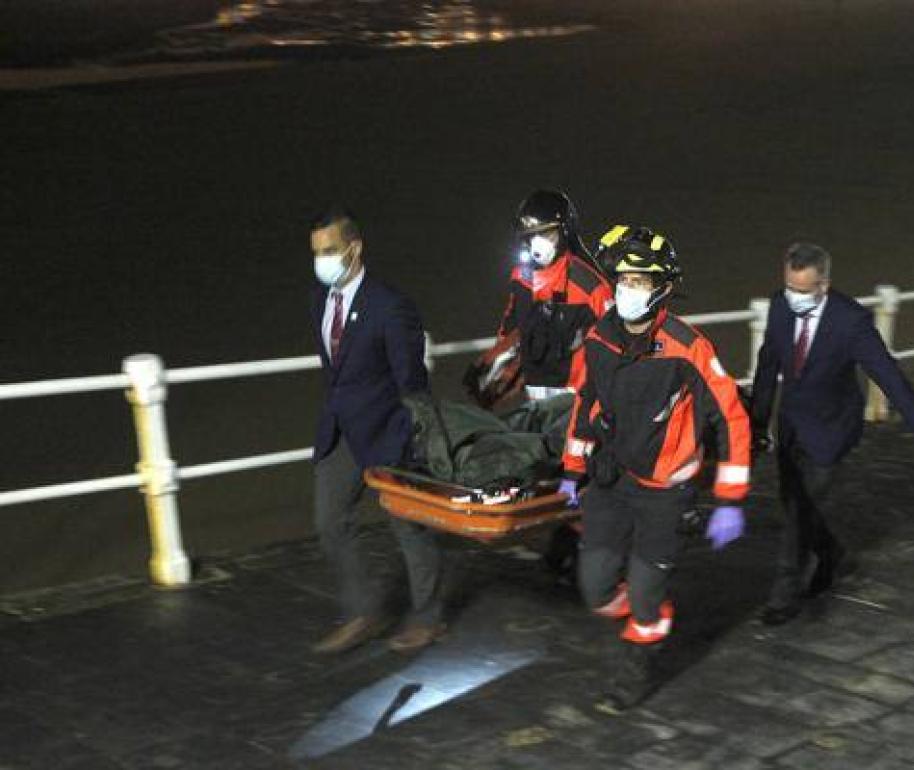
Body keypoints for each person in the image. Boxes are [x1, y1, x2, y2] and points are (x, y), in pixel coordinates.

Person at [559, 225, 752, 712]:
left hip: (664, 492)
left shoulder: (687, 347)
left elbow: (731, 416)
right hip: (611, 481)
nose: (628, 290)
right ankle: (642, 608)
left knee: (645, 598)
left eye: (640, 282)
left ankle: (637, 662)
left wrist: (729, 499)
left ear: (663, 287)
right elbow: (587, 402)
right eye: (623, 280)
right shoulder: (601, 338)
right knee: (595, 587)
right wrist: (571, 468)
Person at [750, 242, 914, 626]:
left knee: (797, 513)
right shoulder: (779, 306)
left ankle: (783, 597)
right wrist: (756, 424)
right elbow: (767, 365)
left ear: (824, 285)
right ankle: (833, 554)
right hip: (791, 425)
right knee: (793, 503)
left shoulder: (851, 322)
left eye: (803, 291)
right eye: (789, 288)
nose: (793, 298)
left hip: (830, 431)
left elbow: (888, 376)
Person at [309, 207, 446, 655]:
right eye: (317, 252)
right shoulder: (319, 301)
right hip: (341, 431)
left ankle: (428, 617)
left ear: (355, 248)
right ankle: (364, 611)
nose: (323, 260)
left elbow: (411, 380)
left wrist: (413, 436)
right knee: (330, 522)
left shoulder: (391, 306)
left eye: (330, 250)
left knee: (409, 528)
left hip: (389, 431)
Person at [465, 190, 613, 406]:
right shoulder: (521, 277)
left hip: (576, 403)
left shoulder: (592, 288)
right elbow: (512, 324)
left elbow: (617, 350)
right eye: (530, 236)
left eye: (546, 234)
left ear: (565, 232)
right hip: (535, 401)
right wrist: (497, 362)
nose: (537, 244)